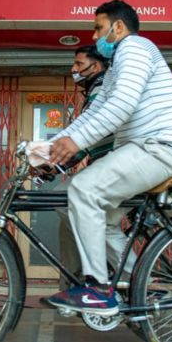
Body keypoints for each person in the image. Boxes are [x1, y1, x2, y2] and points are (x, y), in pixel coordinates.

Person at [45, 0, 172, 316]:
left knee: (83, 189)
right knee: (106, 221)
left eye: (99, 28)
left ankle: (98, 290)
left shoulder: (135, 48)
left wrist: (76, 143)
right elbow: (95, 113)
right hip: (143, 149)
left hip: (159, 148)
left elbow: (122, 105)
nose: (96, 36)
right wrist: (47, 148)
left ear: (118, 26)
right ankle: (143, 287)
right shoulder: (115, 68)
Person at [56, 45, 117, 291]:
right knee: (66, 219)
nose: (74, 69)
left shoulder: (103, 89)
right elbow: (81, 131)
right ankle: (72, 286)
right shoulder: (96, 91)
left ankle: (105, 276)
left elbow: (97, 131)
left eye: (79, 64)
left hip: (116, 168)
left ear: (98, 65)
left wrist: (64, 157)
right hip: (103, 166)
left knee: (63, 201)